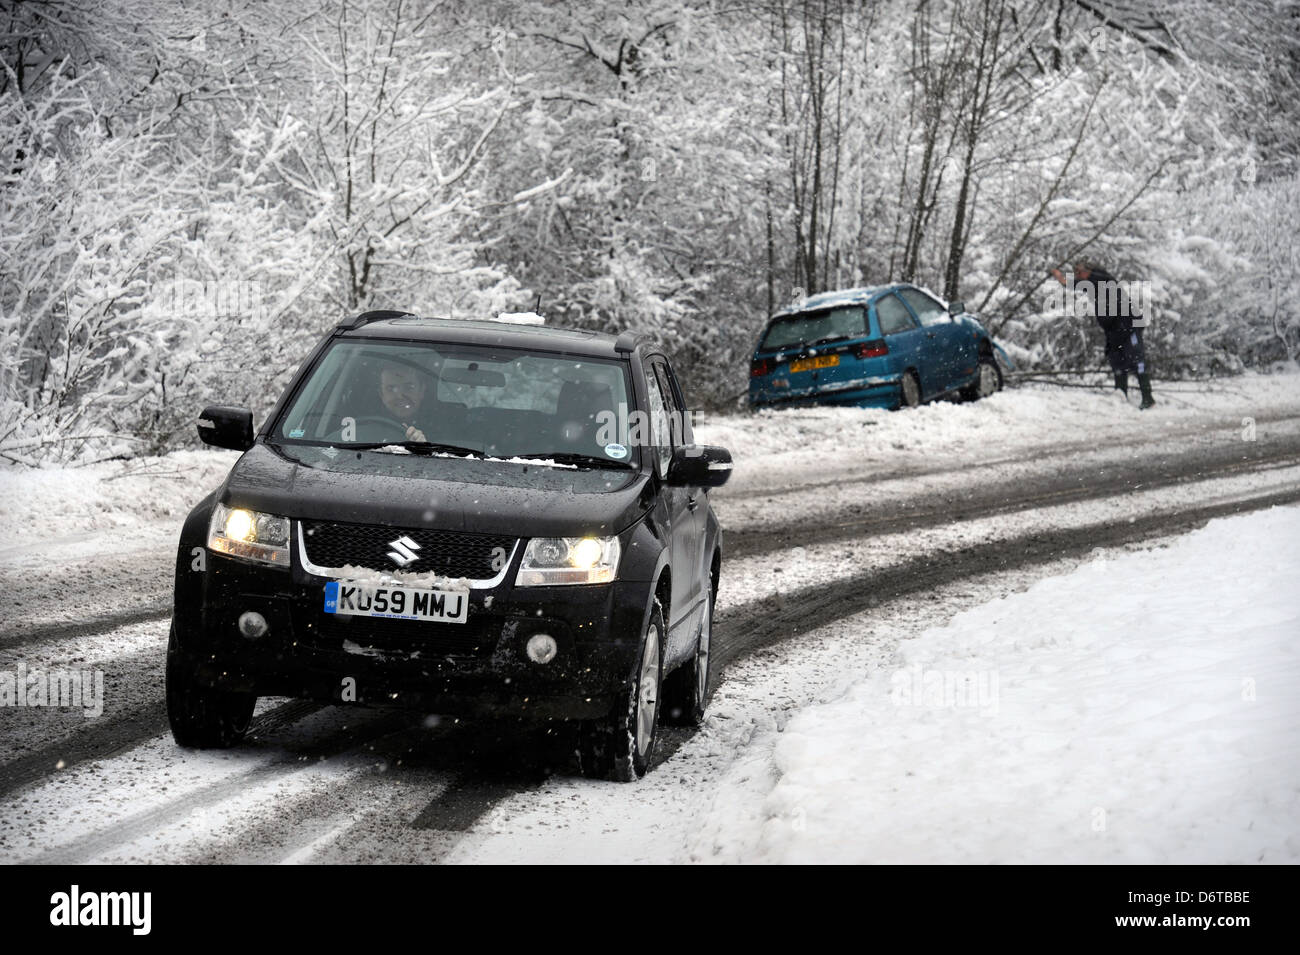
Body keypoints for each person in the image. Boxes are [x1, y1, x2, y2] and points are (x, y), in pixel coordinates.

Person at [1049, 260, 1155, 409]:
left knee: (1137, 361)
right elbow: (1073, 284)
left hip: (1129, 326)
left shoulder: (1100, 278)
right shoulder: (1093, 284)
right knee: (1117, 362)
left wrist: (1060, 276)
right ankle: (1121, 396)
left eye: (1079, 272)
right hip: (1114, 329)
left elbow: (1075, 283)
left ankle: (1148, 397)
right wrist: (1060, 277)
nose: (1078, 276)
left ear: (1088, 270)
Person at [377, 361, 431, 441]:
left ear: (421, 391)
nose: (399, 396)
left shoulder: (445, 431)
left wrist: (425, 449)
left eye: (409, 387)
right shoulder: (363, 428)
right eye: (391, 389)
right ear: (382, 395)